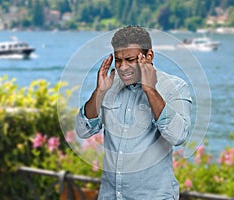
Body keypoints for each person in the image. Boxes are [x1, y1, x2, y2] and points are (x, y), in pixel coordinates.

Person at [75, 26, 192, 200]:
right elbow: (83, 130)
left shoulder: (175, 87)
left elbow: (178, 136)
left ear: (149, 56)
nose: (123, 67)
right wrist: (99, 91)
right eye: (118, 60)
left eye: (130, 59)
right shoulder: (109, 85)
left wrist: (150, 90)